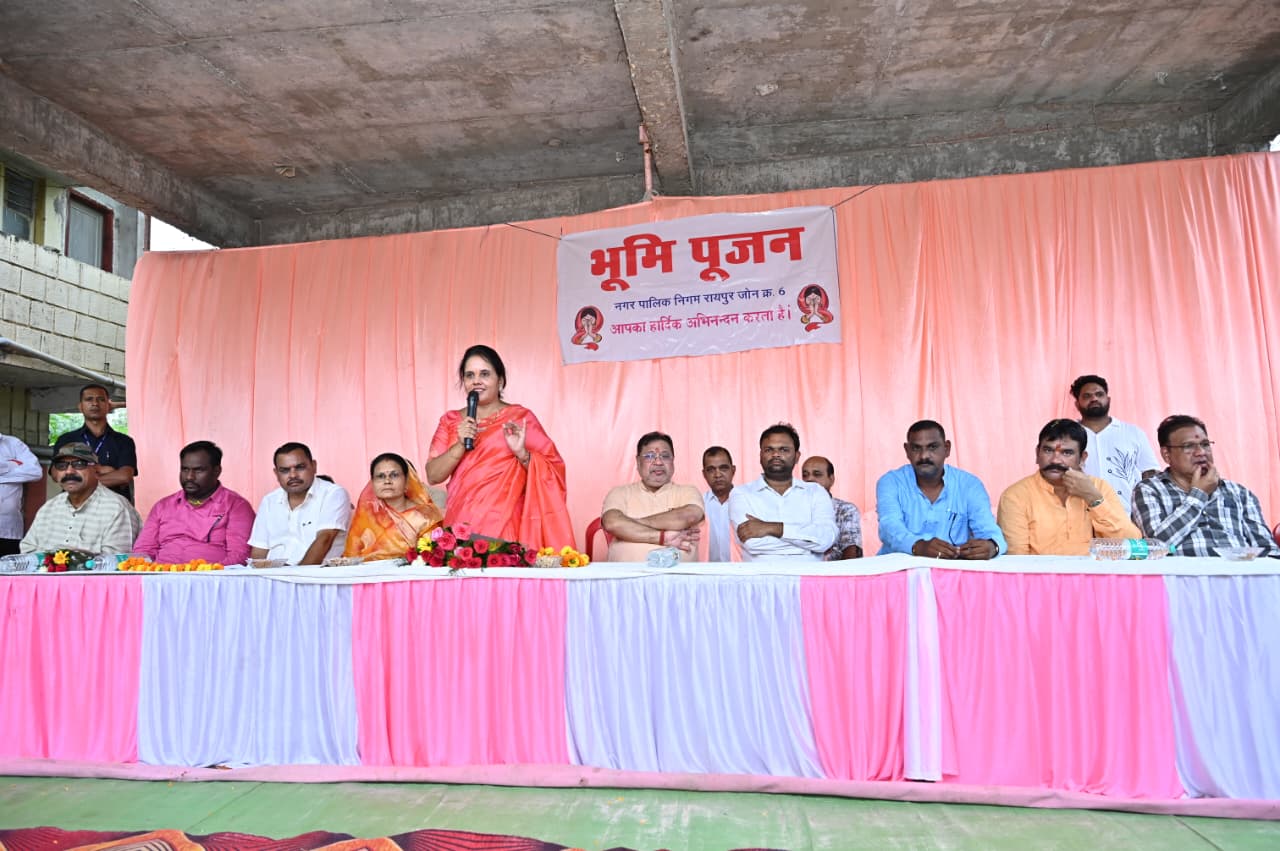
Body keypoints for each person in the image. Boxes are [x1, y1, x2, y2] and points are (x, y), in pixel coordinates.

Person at [426, 344, 573, 547]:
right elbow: (433, 475)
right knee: (463, 565)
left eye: (485, 374)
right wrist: (459, 445)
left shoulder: (519, 418)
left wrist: (522, 454)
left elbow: (554, 470)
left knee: (503, 566)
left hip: (506, 522)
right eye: (470, 375)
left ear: (500, 381)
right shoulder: (451, 421)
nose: (476, 381)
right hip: (460, 521)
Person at [1132, 415, 1278, 557]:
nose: (1201, 452)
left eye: (1205, 444)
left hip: (1239, 572)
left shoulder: (1239, 493)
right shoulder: (1149, 490)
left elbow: (1268, 550)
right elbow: (1156, 546)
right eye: (1189, 446)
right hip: (1184, 573)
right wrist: (1198, 495)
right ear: (1166, 454)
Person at [997, 418, 1140, 555]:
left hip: (1094, 572)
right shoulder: (1015, 496)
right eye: (1048, 450)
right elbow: (1016, 560)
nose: (1055, 460)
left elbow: (1132, 543)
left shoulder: (1099, 487)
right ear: (1037, 453)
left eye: (1066, 453)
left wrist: (1093, 498)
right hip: (1040, 572)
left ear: (1082, 458)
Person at [876, 420, 1005, 558]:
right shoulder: (891, 482)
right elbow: (889, 528)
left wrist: (992, 546)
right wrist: (918, 546)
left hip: (954, 568)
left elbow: (989, 531)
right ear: (907, 451)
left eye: (932, 447)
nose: (924, 456)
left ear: (947, 448)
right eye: (916, 448)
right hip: (900, 569)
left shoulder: (969, 485)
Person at [133, 440, 256, 565]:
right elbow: (143, 550)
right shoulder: (163, 506)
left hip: (210, 575)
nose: (189, 477)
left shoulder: (236, 506)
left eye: (198, 470)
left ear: (217, 471)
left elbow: (239, 556)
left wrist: (206, 572)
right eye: (185, 469)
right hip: (162, 574)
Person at [727, 424, 836, 561]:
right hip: (762, 575)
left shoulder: (816, 492)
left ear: (797, 456)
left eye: (784, 449)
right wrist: (810, 544)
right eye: (769, 450)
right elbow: (753, 544)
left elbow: (826, 539)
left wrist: (774, 528)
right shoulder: (741, 494)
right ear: (760, 456)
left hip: (808, 574)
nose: (776, 454)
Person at [20, 442, 140, 555]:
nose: (69, 471)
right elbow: (28, 550)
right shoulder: (49, 508)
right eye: (61, 466)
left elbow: (116, 562)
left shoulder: (116, 508)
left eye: (79, 464)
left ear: (96, 469)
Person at [601, 432, 703, 562]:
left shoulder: (687, 491)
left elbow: (689, 516)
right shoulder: (620, 493)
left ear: (673, 461)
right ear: (638, 462)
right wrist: (662, 537)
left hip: (678, 574)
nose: (658, 462)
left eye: (665, 456)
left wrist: (629, 524)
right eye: (649, 456)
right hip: (625, 574)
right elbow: (612, 523)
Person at [248, 442, 352, 564]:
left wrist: (297, 574)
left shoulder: (333, 494)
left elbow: (325, 539)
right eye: (284, 470)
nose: (293, 475)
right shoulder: (269, 501)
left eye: (300, 467)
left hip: (314, 573)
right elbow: (259, 551)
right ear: (276, 473)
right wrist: (257, 574)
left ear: (314, 466)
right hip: (273, 573)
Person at [1071, 374, 1159, 513]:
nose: (1094, 399)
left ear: (1108, 399)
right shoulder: (1068, 434)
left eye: (1099, 394)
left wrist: (1147, 510)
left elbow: (1150, 473)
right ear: (1077, 403)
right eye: (1087, 396)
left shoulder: (1133, 432)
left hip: (1128, 515)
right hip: (1081, 515)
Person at [344, 452, 444, 560]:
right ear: (372, 483)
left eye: (394, 475)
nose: (387, 481)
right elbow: (350, 557)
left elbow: (431, 557)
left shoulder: (425, 516)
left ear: (407, 481)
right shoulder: (366, 517)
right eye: (380, 476)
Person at [53, 383, 138, 502]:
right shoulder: (66, 439)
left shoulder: (124, 441)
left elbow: (124, 476)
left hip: (113, 506)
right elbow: (57, 475)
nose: (95, 403)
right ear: (80, 407)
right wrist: (107, 472)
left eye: (101, 399)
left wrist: (79, 480)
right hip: (75, 506)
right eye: (89, 399)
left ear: (108, 406)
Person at [801, 455, 862, 559]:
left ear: (831, 479)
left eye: (817, 474)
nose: (809, 479)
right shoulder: (794, 508)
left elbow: (851, 551)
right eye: (805, 475)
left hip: (835, 568)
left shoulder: (845, 509)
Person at [0, 432, 42, 555]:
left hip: (8, 530)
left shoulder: (13, 443)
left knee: (8, 565)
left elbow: (36, 472)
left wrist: (2, 469)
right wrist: (10, 465)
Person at [701, 445, 737, 562]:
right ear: (704, 474)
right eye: (711, 470)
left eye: (723, 468)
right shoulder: (699, 504)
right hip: (708, 571)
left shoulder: (747, 501)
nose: (717, 475)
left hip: (742, 570)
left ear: (733, 470)